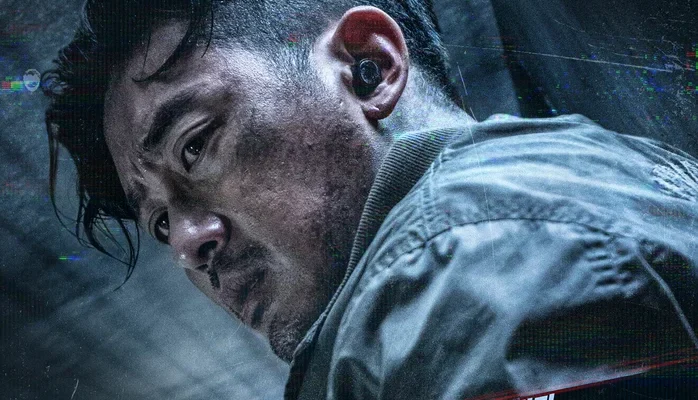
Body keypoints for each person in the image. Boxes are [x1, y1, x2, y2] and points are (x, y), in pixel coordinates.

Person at [42, 0, 698, 398]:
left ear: (371, 67)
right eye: (160, 221)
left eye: (194, 146)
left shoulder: (460, 267)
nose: (188, 244)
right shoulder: (536, 203)